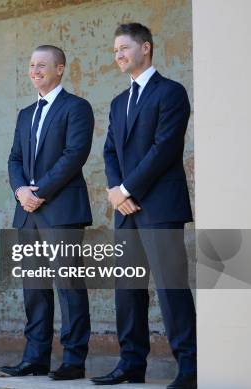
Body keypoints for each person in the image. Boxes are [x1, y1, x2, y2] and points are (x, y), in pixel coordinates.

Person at [93, 23, 196, 389]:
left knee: (171, 288)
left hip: (160, 206)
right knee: (127, 289)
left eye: (124, 48)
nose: (118, 55)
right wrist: (115, 190)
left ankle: (189, 368)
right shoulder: (119, 102)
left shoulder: (171, 93)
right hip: (126, 209)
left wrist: (127, 188)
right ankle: (131, 363)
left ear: (146, 48)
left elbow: (164, 149)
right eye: (115, 50)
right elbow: (109, 151)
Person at [1, 45, 94, 381]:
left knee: (69, 286)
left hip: (62, 211)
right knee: (34, 288)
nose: (35, 70)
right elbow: (14, 159)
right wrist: (20, 191)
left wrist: (39, 192)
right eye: (31, 65)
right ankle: (35, 357)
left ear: (60, 69)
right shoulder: (25, 113)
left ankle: (73, 360)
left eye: (42, 65)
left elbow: (74, 155)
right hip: (27, 213)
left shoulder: (77, 108)